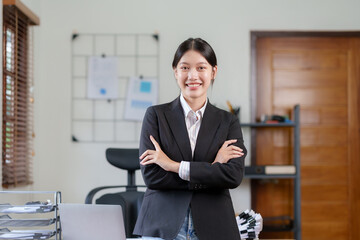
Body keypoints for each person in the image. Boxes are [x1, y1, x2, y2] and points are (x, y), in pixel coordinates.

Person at [133, 38, 247, 240]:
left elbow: (233, 176)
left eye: (201, 67)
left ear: (213, 72)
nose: (192, 75)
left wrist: (173, 166)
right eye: (185, 67)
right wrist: (212, 167)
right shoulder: (156, 116)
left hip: (214, 224)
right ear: (175, 71)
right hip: (162, 223)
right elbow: (152, 176)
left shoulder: (228, 122)